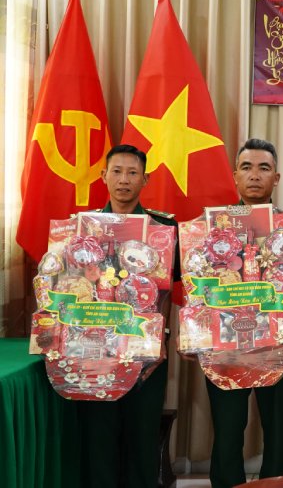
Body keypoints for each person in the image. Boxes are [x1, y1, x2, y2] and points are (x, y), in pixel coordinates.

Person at [203, 138, 283, 488]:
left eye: (264, 168)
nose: (254, 175)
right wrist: (197, 337)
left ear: (276, 178)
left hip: (277, 343)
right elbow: (197, 287)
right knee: (228, 429)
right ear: (235, 175)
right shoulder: (210, 228)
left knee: (278, 429)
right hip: (225, 344)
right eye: (247, 167)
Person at [76, 144, 177, 488]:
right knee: (98, 435)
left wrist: (161, 341)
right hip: (95, 349)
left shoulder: (162, 229)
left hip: (146, 350)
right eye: (116, 172)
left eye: (132, 173)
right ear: (103, 176)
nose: (123, 180)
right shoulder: (83, 228)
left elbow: (170, 293)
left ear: (145, 180)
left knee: (142, 435)